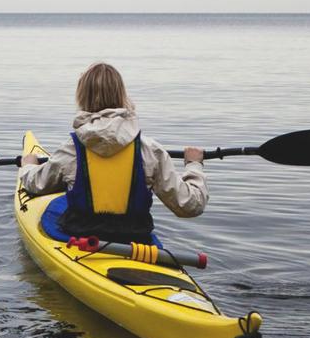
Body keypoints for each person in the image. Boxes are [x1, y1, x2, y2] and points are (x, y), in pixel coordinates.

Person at [18, 61, 206, 245]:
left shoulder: (70, 150)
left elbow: (36, 185)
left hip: (80, 239)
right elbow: (190, 206)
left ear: (82, 97)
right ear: (122, 95)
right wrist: (194, 165)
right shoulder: (151, 150)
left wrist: (28, 165)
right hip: (135, 242)